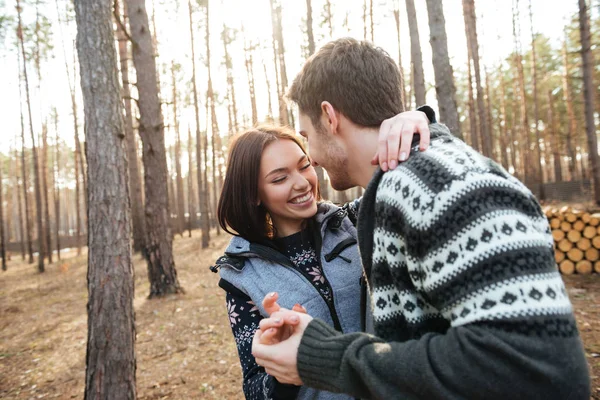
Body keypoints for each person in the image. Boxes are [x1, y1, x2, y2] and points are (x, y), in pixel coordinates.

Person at [251, 38, 591, 400]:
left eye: (307, 136)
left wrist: (328, 357)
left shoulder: (445, 188)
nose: (313, 159)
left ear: (330, 117)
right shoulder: (395, 193)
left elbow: (543, 372)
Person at [213, 113, 432, 399]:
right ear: (254, 194)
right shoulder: (242, 276)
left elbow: (410, 176)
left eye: (304, 166)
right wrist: (284, 364)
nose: (303, 183)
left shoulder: (356, 222)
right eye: (280, 178)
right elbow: (255, 388)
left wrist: (418, 119)